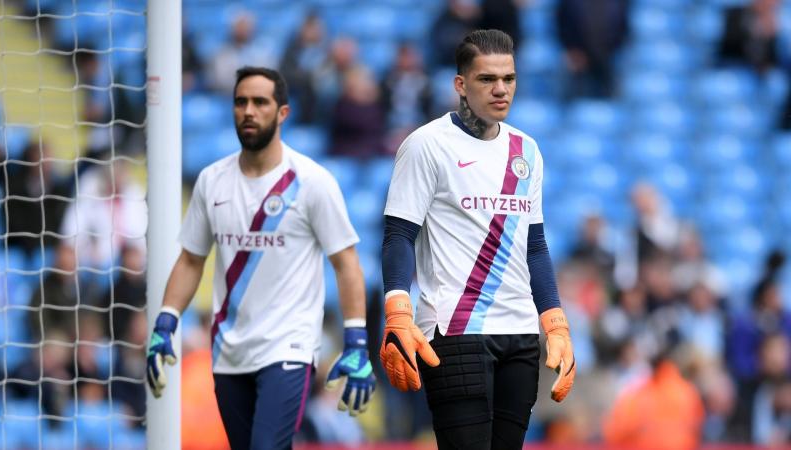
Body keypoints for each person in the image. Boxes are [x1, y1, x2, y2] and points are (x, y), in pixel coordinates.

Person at [146, 67, 375, 450]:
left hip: (289, 345)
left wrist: (355, 341)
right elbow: (190, 260)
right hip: (228, 348)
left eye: (260, 102)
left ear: (282, 112)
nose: (248, 111)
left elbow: (347, 262)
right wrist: (165, 323)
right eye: (241, 102)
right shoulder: (211, 181)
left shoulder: (313, 182)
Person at [379, 30, 575, 449]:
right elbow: (399, 234)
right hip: (455, 329)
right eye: (487, 79)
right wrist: (398, 312)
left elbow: (534, 246)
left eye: (509, 78)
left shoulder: (528, 151)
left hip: (521, 333)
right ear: (460, 85)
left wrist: (555, 322)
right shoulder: (427, 145)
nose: (501, 89)